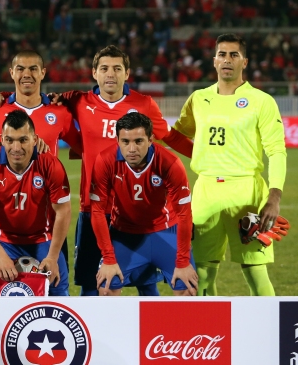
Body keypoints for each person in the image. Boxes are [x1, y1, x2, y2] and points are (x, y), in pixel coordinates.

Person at [52, 45, 194, 296]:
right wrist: (2, 99)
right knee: (92, 282)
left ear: (127, 73)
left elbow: (169, 137)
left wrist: (205, 157)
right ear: (94, 73)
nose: (111, 74)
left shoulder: (143, 104)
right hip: (94, 207)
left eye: (117, 68)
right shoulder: (78, 101)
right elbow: (39, 105)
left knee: (146, 281)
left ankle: (149, 332)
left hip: (135, 211)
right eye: (104, 68)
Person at [173, 34, 287, 296]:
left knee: (255, 271)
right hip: (205, 192)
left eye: (234, 55)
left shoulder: (261, 101)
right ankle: (207, 332)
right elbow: (177, 136)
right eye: (222, 54)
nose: (227, 59)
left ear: (244, 62)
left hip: (247, 192)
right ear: (214, 61)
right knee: (201, 273)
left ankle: (267, 335)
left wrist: (274, 195)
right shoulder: (198, 99)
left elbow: (277, 150)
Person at [0, 50, 82, 275]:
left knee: (53, 294)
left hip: (49, 224)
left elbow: (83, 146)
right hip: (6, 221)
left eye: (33, 69)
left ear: (43, 73)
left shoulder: (59, 111)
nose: (26, 74)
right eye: (20, 69)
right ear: (12, 73)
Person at [91, 112, 197, 296]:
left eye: (138, 141)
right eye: (125, 142)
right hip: (124, 235)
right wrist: (108, 259)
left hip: (165, 232)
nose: (131, 148)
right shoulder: (105, 160)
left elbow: (184, 214)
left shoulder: (170, 163)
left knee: (187, 288)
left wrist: (182, 262)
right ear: (117, 140)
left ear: (151, 140)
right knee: (106, 288)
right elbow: (97, 211)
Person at [0, 110, 71, 296]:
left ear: (34, 139)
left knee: (58, 296)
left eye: (23, 140)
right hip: (3, 241)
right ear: (1, 139)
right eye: (9, 140)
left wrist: (53, 256)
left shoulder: (51, 165)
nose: (16, 147)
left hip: (42, 240)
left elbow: (63, 211)